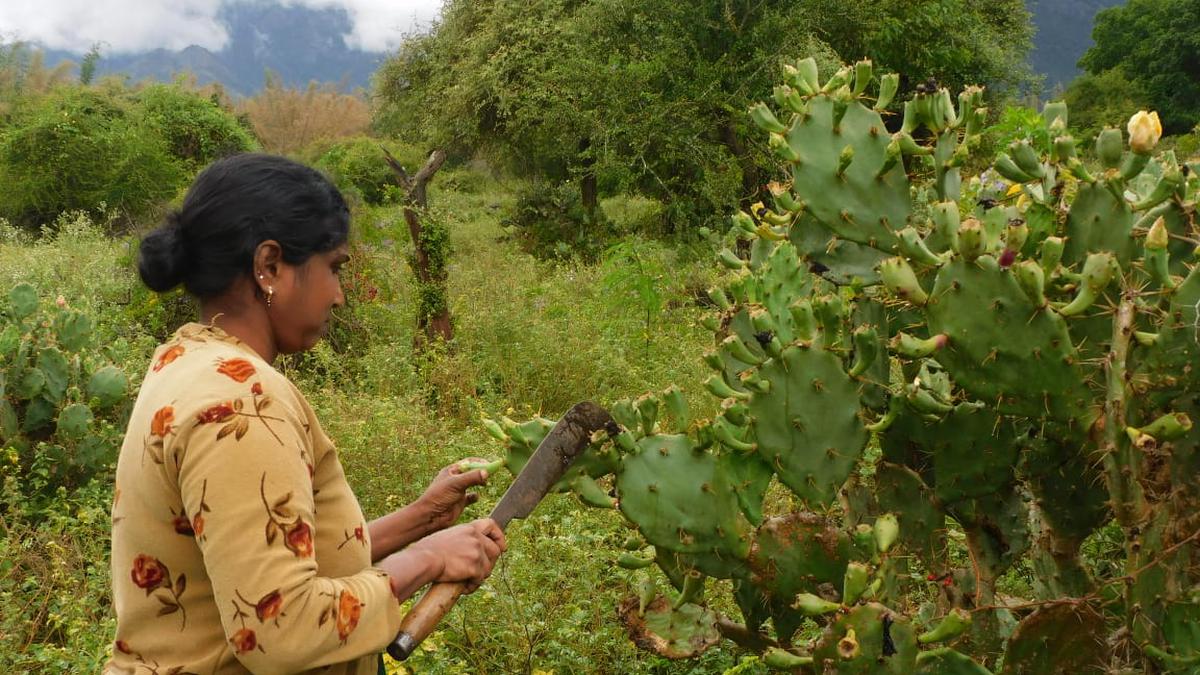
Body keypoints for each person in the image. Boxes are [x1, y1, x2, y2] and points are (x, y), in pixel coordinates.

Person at [105, 153, 506, 675]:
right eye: (334, 267)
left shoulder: (186, 361)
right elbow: (281, 627)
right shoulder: (243, 404)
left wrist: (421, 520)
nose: (339, 296)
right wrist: (428, 559)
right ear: (269, 266)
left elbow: (266, 557)